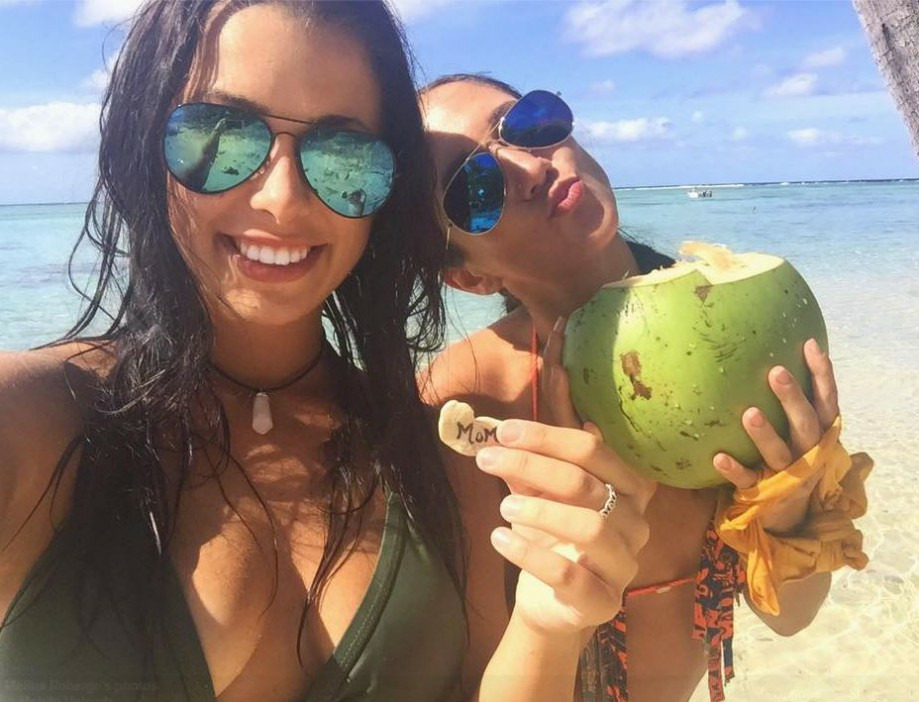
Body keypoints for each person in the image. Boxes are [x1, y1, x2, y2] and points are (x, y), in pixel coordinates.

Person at [0, 5, 653, 701]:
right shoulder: (38, 424)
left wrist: (547, 626)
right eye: (220, 135)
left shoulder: (433, 451)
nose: (283, 200)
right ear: (142, 142)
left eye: (343, 153)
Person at [420, 75, 870, 702]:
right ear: (467, 276)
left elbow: (789, 617)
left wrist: (791, 501)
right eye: (473, 186)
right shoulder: (470, 407)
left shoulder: (734, 335)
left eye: (526, 124)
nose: (529, 167)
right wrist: (555, 611)